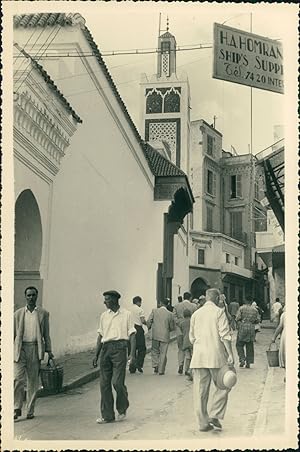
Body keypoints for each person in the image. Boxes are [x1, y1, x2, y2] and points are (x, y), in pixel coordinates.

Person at [189, 288, 234, 432]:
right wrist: (230, 354)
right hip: (216, 356)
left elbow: (192, 338)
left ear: (207, 298)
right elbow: (225, 335)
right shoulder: (219, 312)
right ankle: (215, 414)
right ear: (216, 299)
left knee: (200, 391)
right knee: (225, 384)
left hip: (199, 357)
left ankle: (202, 423)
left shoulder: (196, 314)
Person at [93, 290, 136, 424]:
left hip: (120, 349)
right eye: (104, 299)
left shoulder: (127, 315)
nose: (104, 302)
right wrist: (96, 355)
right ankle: (107, 415)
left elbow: (132, 334)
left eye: (107, 299)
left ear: (115, 300)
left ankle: (122, 408)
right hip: (106, 349)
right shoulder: (104, 316)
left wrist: (132, 354)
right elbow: (100, 335)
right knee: (104, 384)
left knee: (117, 382)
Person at [14, 286, 54, 420]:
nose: (31, 297)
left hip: (35, 349)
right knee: (17, 379)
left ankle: (30, 410)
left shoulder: (43, 313)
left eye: (33, 295)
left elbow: (46, 335)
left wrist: (49, 351)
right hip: (20, 349)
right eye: (29, 295)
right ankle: (16, 408)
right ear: (25, 297)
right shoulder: (18, 314)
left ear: (37, 296)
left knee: (32, 381)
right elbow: (13, 334)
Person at [147, 299, 175, 375]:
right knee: (163, 353)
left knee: (155, 350)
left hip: (155, 334)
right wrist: (169, 330)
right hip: (165, 335)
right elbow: (172, 327)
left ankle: (155, 365)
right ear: (167, 304)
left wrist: (149, 327)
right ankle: (161, 370)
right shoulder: (170, 314)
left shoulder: (154, 311)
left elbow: (149, 321)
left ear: (161, 303)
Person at [173, 291, 197, 374]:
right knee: (190, 350)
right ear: (190, 298)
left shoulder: (176, 306)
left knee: (180, 349)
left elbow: (174, 317)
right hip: (190, 330)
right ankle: (189, 367)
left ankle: (180, 364)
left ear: (183, 297)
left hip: (179, 329)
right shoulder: (194, 306)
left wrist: (179, 323)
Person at [235, 297, 260, 368]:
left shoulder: (241, 308)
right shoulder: (255, 310)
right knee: (249, 345)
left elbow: (237, 318)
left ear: (245, 300)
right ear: (251, 301)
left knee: (239, 344)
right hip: (251, 328)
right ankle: (248, 362)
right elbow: (258, 320)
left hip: (242, 327)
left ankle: (242, 358)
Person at [128, 296, 147, 374]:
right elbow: (142, 321)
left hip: (129, 329)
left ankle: (132, 367)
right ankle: (139, 364)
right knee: (142, 348)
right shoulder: (140, 310)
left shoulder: (128, 310)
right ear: (138, 302)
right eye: (140, 302)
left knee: (131, 348)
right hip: (138, 329)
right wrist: (147, 324)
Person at [178, 309, 193, 380]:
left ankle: (186, 370)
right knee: (193, 356)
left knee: (187, 357)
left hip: (185, 341)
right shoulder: (193, 321)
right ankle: (191, 370)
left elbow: (181, 332)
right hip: (192, 341)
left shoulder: (182, 323)